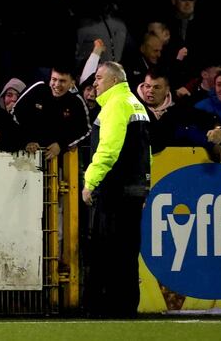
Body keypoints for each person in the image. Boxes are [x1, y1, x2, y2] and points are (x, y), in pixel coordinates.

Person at [81, 61, 151, 318]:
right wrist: (144, 187)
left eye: (99, 78)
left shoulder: (115, 105)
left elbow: (108, 150)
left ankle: (102, 308)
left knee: (105, 249)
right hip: (133, 190)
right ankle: (126, 307)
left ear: (112, 81)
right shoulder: (135, 104)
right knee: (128, 251)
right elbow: (147, 152)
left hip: (115, 189)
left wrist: (90, 181)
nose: (95, 83)